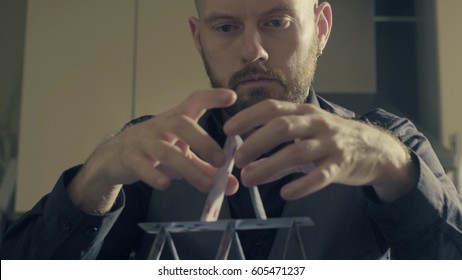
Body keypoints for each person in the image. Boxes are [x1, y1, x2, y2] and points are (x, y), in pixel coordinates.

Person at [1, 0, 461, 259]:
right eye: (225, 27)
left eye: (276, 22)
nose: (251, 51)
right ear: (199, 38)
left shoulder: (393, 144)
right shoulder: (149, 151)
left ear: (320, 27)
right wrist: (94, 180)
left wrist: (397, 169)